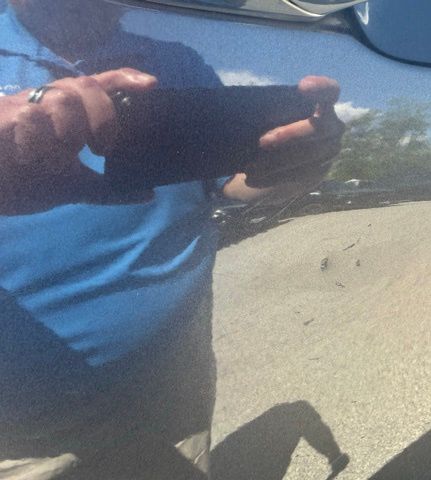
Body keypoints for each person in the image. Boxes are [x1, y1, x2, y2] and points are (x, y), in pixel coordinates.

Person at [0, 1, 344, 478]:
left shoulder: (178, 63)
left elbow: (231, 183)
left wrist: (301, 166)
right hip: (22, 435)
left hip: (173, 400)